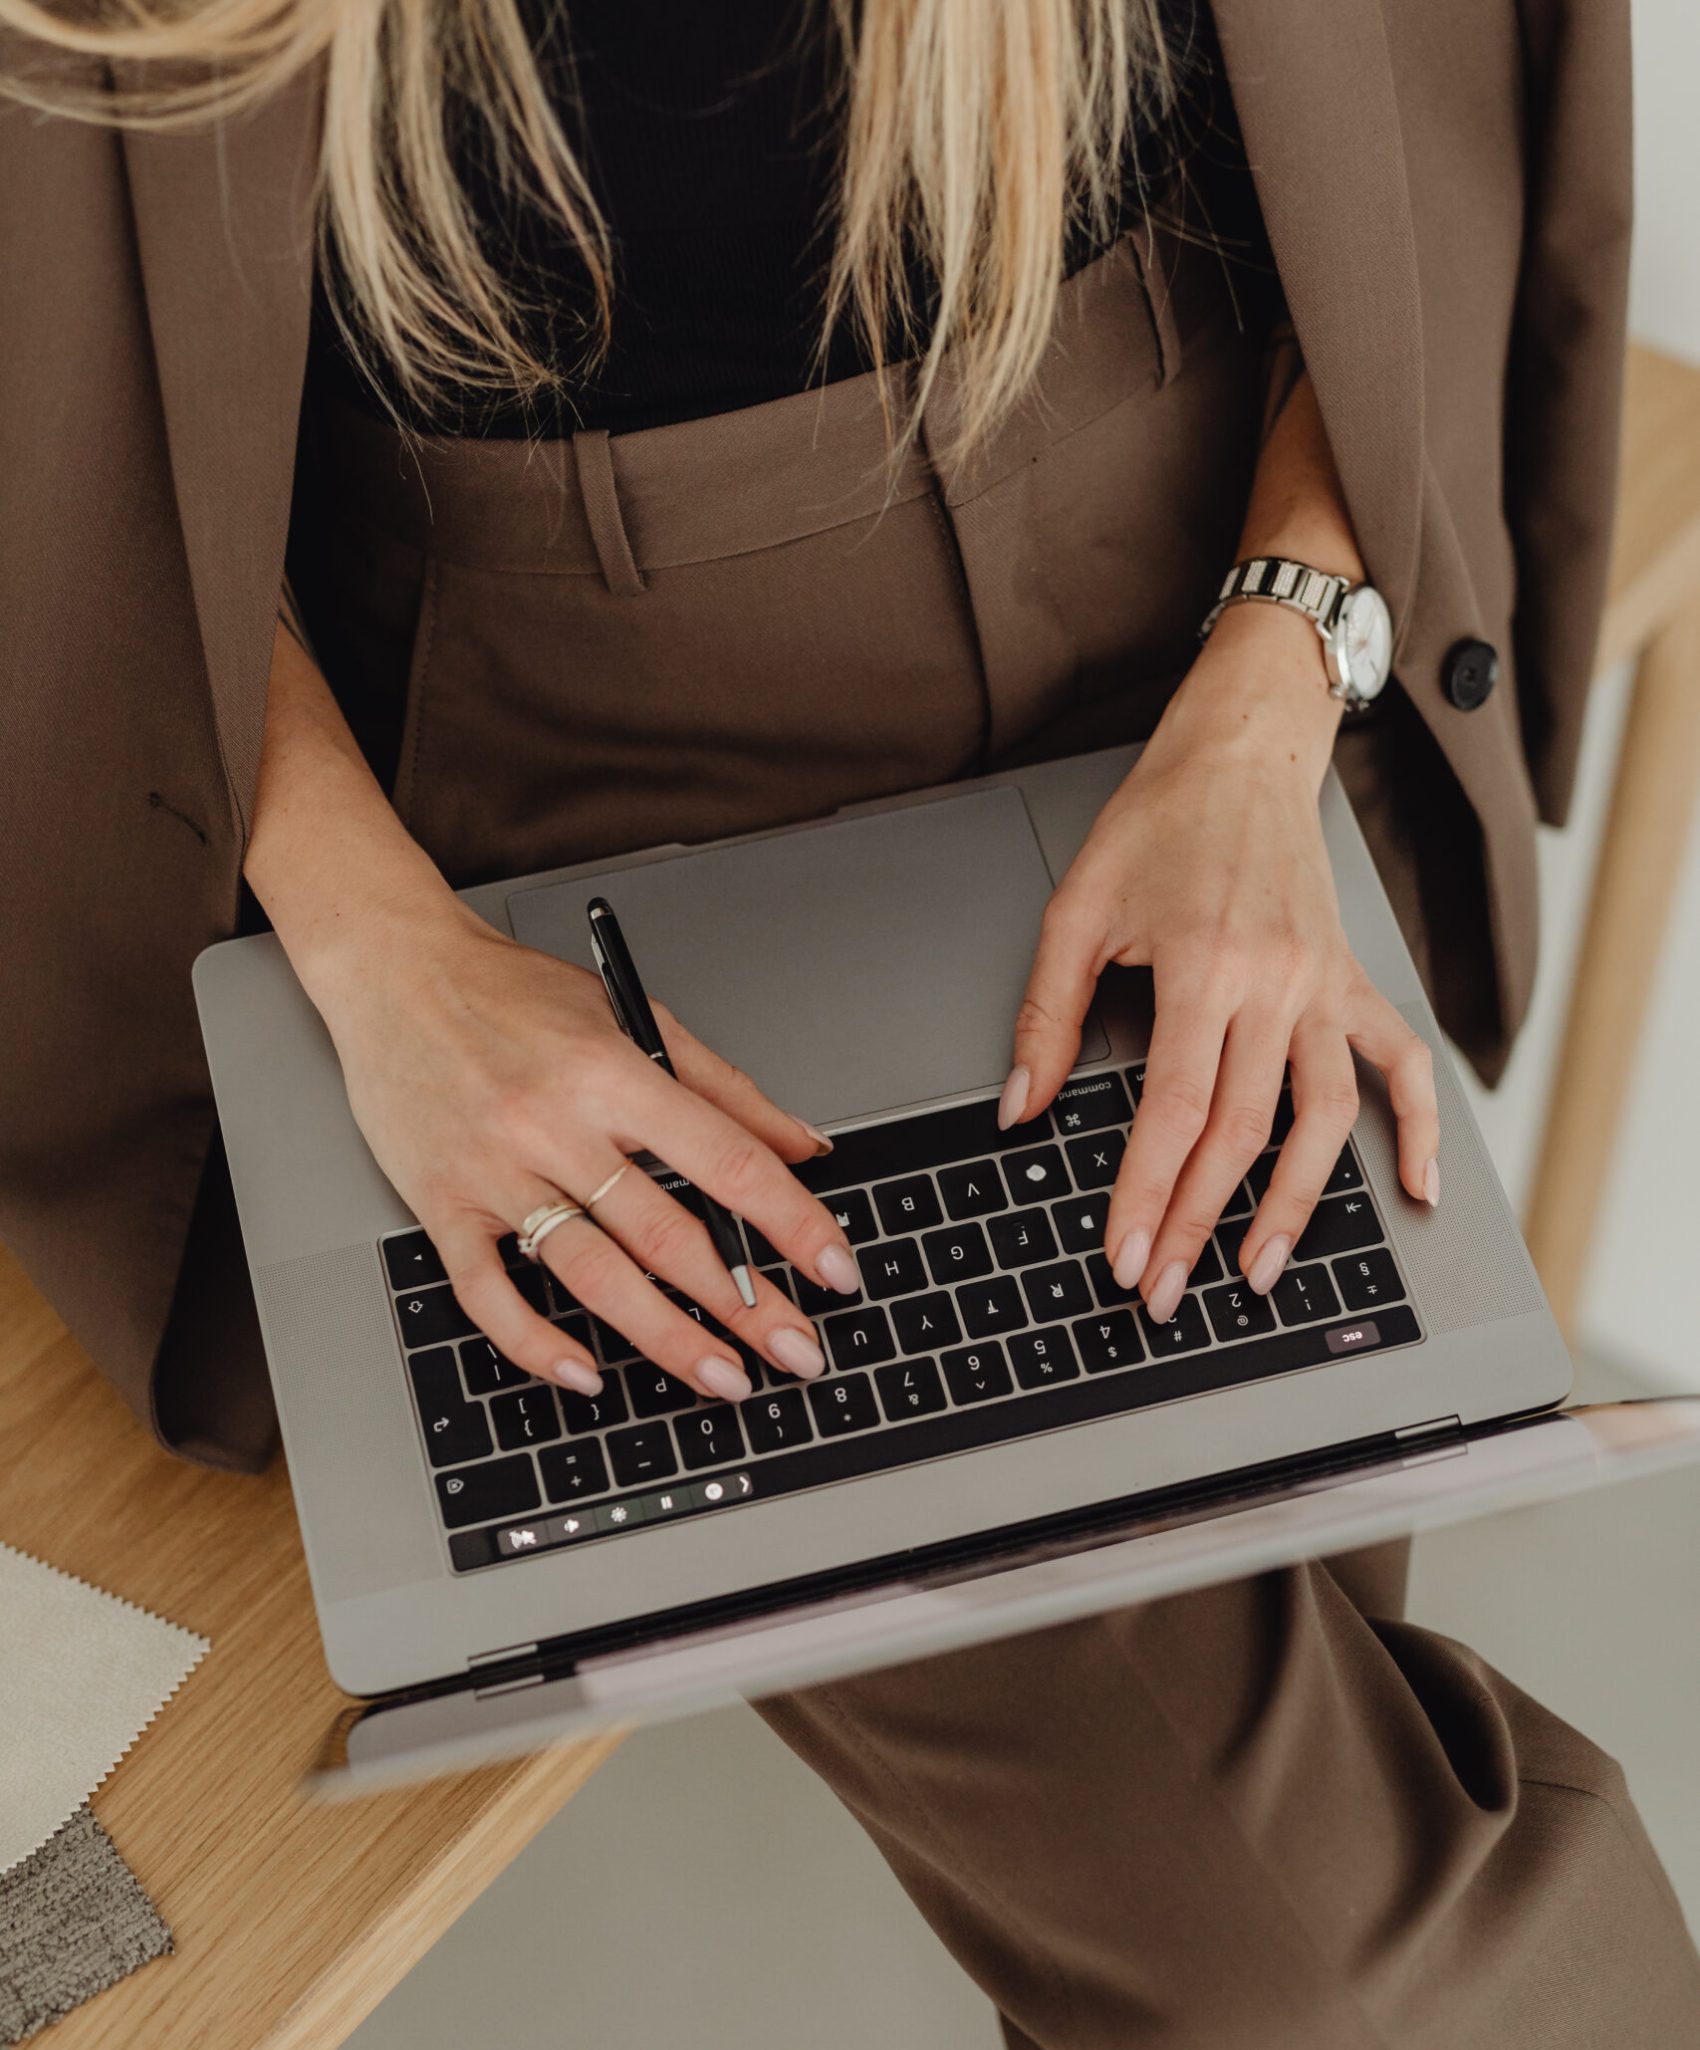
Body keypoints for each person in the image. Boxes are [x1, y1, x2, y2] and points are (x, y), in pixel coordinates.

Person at [4, 0, 1698, 2041]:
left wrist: (1276, 679)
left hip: (1199, 622)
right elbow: (57, 394)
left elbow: (1412, 133)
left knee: (1294, 1569)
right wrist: (378, 947)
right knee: (1338, 1972)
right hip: (569, 810)